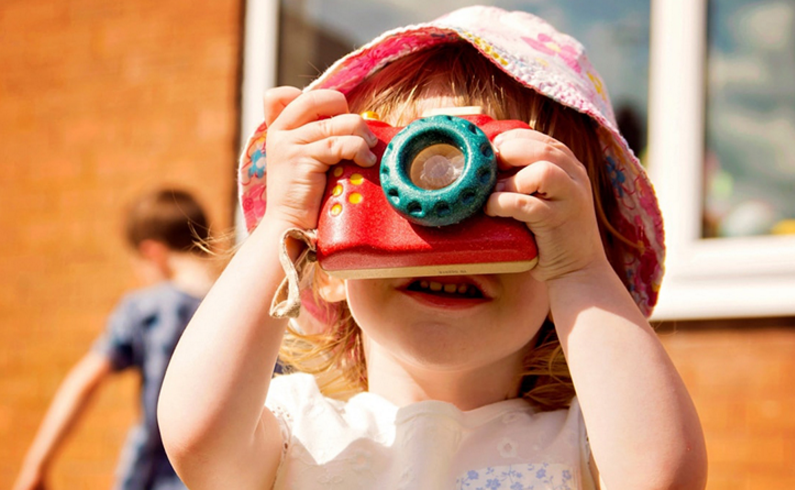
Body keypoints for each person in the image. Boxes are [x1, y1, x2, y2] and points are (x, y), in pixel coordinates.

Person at [158, 6, 708, 490]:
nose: (446, 225)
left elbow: (662, 481)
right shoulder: (298, 434)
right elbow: (196, 439)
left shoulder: (588, 448)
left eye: (504, 185)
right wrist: (284, 222)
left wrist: (581, 271)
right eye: (399, 180)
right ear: (323, 260)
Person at [13, 189, 217, 490]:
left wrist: (36, 465)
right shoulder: (251, 309)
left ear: (152, 252)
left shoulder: (150, 309)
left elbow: (84, 381)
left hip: (155, 478)